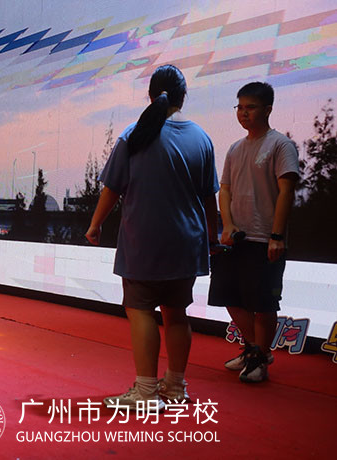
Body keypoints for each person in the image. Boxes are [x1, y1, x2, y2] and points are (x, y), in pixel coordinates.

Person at [85, 65, 219, 410]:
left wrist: (96, 224)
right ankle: (175, 387)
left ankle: (146, 391)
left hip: (144, 240)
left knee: (140, 309)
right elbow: (209, 198)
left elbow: (112, 188)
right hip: (187, 243)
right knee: (177, 313)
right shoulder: (201, 138)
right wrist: (213, 236)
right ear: (183, 97)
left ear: (150, 95)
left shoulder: (135, 134)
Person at [208, 82, 300, 383]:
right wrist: (228, 225)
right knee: (228, 296)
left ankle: (259, 357)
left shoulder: (280, 145)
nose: (243, 113)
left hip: (264, 239)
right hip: (235, 238)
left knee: (262, 303)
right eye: (240, 107)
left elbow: (287, 191)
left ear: (267, 109)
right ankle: (255, 350)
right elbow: (224, 190)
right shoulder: (235, 148)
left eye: (250, 107)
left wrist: (277, 236)